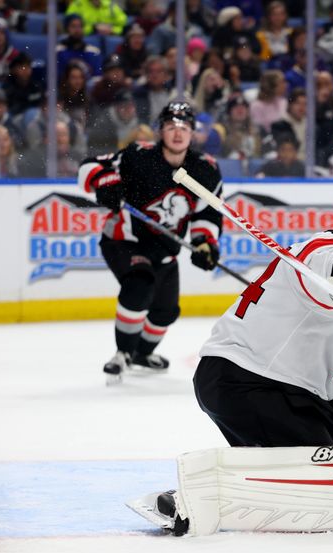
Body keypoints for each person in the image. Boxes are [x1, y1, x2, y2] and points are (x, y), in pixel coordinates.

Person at [144, 183, 333, 535]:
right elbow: (332, 268)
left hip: (288, 389)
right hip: (249, 379)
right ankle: (192, 497)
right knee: (319, 486)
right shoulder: (328, 248)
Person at [78, 101, 223, 384]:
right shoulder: (138, 155)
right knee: (139, 284)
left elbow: (207, 212)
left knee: (166, 311)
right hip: (124, 240)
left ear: (193, 132)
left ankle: (142, 354)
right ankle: (122, 353)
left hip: (165, 249)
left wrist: (205, 242)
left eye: (184, 127)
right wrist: (106, 183)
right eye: (170, 127)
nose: (177, 133)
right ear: (161, 131)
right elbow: (90, 167)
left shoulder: (206, 169)